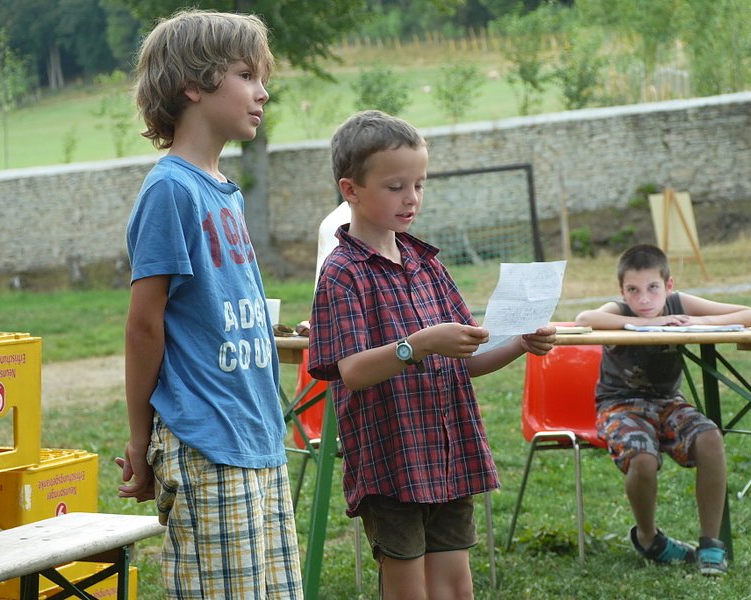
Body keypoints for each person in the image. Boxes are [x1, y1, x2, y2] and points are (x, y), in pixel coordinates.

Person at [308, 109, 556, 599]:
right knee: (409, 590)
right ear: (350, 190)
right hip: (391, 460)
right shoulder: (342, 274)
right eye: (396, 186)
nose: (412, 198)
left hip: (448, 452)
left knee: (456, 588)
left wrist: (518, 344)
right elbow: (352, 372)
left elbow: (469, 360)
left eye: (419, 184)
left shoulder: (429, 266)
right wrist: (419, 345)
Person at [117, 9, 302, 599]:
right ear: (193, 84)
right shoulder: (170, 190)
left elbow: (214, 313)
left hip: (258, 435)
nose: (262, 90)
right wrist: (139, 440)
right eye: (247, 74)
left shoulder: (223, 190)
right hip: (205, 442)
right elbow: (145, 327)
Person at [574, 243, 751, 577]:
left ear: (669, 286)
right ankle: (648, 538)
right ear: (622, 291)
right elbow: (585, 319)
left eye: (653, 288)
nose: (644, 299)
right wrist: (658, 321)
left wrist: (700, 322)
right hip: (619, 405)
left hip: (666, 403)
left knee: (710, 438)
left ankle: (710, 545)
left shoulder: (679, 302)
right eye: (633, 290)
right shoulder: (621, 309)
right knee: (643, 459)